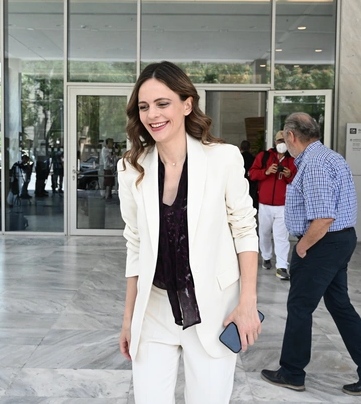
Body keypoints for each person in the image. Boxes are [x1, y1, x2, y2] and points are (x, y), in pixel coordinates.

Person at [117, 61, 260, 404]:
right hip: (154, 310)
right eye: (144, 106)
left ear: (186, 104)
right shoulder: (131, 167)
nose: (153, 114)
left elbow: (244, 230)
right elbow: (135, 244)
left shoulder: (223, 158)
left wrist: (248, 303)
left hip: (214, 309)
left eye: (162, 103)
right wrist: (129, 319)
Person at [261, 112, 361, 396]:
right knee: (340, 305)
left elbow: (323, 217)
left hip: (322, 242)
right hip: (336, 241)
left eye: (284, 138)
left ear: (291, 136)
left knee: (299, 306)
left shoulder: (315, 164)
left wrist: (302, 246)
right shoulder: (329, 157)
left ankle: (292, 372)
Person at [249, 131, 296, 279]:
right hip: (264, 204)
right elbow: (252, 174)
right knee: (264, 233)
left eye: (285, 141)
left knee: (281, 236)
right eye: (280, 141)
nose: (282, 144)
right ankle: (266, 256)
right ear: (275, 142)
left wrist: (289, 175)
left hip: (283, 205)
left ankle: (282, 266)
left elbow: (297, 180)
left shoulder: (293, 160)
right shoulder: (264, 157)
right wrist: (266, 171)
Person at [239, 140, 257, 209]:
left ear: (240, 148)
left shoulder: (239, 158)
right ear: (250, 149)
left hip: (241, 181)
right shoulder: (254, 159)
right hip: (251, 182)